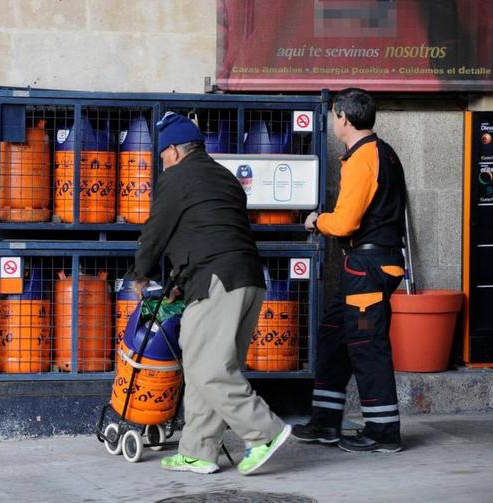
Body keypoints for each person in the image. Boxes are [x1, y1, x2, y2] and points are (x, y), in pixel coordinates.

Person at [128, 111, 291, 476]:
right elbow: (203, 233)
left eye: (162, 155)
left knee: (209, 367)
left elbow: (157, 231)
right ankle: (198, 450)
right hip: (248, 279)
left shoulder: (178, 178)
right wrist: (176, 285)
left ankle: (264, 432)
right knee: (202, 358)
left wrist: (141, 274)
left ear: (173, 151)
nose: (162, 162)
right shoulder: (224, 177)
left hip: (218, 280)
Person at [294, 88, 407, 453]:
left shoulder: (363, 158)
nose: (332, 121)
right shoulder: (383, 152)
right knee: (333, 336)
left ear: (342, 116)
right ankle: (325, 423)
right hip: (364, 265)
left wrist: (317, 221)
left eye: (333, 115)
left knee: (366, 345)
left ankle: (383, 432)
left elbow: (344, 223)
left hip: (367, 267)